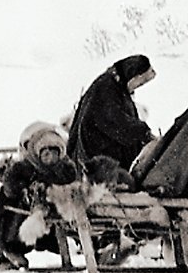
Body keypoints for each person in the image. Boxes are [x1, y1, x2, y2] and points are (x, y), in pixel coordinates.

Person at [0, 120, 84, 271]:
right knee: (12, 212)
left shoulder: (66, 168)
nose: (50, 158)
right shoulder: (23, 167)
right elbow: (10, 188)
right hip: (24, 208)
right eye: (46, 153)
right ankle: (10, 250)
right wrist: (23, 189)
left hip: (54, 204)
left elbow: (71, 181)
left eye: (54, 153)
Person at [68, 54, 158, 183]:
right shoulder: (106, 88)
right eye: (141, 82)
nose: (139, 87)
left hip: (102, 159)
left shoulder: (115, 86)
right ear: (134, 75)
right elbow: (117, 122)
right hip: (97, 163)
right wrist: (144, 133)